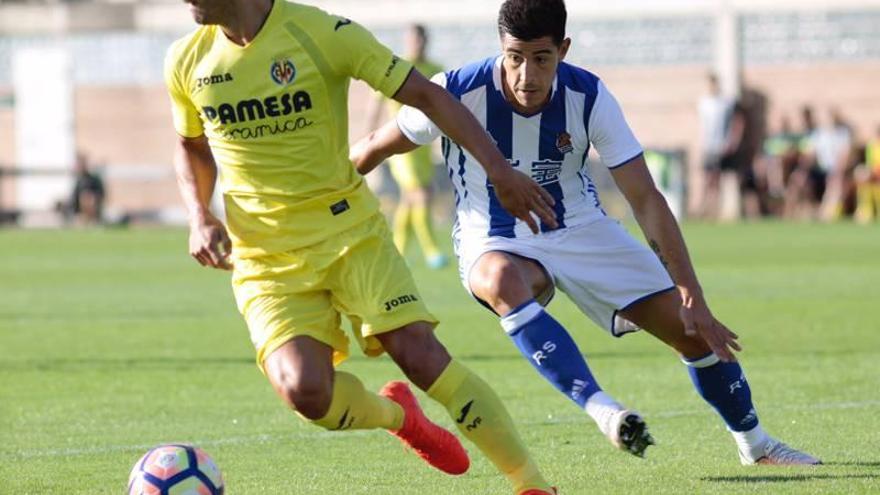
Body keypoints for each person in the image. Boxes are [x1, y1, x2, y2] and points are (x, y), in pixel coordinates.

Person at [352, 0, 820, 466]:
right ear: (501, 48)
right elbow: (373, 147)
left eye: (541, 59)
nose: (525, 76)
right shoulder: (455, 90)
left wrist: (691, 290)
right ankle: (604, 410)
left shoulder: (589, 95)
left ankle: (756, 445)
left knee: (692, 332)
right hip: (491, 236)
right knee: (502, 281)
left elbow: (645, 198)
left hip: (580, 228)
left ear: (564, 50)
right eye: (514, 57)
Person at [164, 1, 558, 494]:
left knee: (420, 355)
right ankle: (400, 418)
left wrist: (499, 171)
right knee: (304, 392)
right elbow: (191, 144)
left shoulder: (324, 33)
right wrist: (199, 214)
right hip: (264, 254)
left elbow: (427, 97)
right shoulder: (185, 60)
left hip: (348, 232)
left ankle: (532, 485)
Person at [367, 24, 449, 269]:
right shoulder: (396, 68)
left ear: (426, 41)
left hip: (423, 145)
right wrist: (371, 136)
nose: (416, 44)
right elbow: (376, 103)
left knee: (409, 199)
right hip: (399, 141)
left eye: (420, 40)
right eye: (412, 40)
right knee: (421, 194)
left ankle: (398, 250)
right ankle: (431, 250)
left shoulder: (435, 70)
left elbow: (446, 105)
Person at [697, 73, 733, 220]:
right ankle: (704, 209)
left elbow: (731, 124)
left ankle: (715, 210)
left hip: (719, 146)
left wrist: (728, 142)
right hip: (707, 146)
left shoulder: (725, 103)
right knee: (706, 180)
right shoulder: (704, 103)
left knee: (716, 180)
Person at [69, 151, 105, 225]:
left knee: (87, 197)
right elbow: (73, 198)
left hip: (94, 208)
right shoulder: (79, 180)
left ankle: (91, 220)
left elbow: (101, 194)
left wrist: (91, 199)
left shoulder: (94, 179)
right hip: (79, 212)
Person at [855, 125, 880, 223]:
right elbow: (870, 162)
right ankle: (865, 210)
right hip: (875, 172)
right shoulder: (872, 145)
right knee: (863, 180)